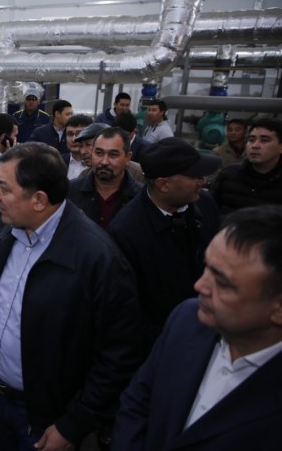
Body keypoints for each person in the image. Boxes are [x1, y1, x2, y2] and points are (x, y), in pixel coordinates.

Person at [0, 142, 144, 450]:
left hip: (48, 416)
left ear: (38, 200)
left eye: (4, 189)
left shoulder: (99, 260)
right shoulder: (6, 235)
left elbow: (118, 356)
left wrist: (74, 424)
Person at [112, 205, 282, 451]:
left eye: (222, 282)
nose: (200, 285)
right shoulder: (186, 320)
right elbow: (137, 403)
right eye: (206, 267)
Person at [108, 138, 221, 342]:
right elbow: (127, 306)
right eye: (194, 175)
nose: (202, 181)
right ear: (164, 184)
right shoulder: (126, 232)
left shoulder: (204, 204)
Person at [68, 127, 142, 228]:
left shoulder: (141, 197)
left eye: (113, 155)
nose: (104, 162)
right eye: (99, 153)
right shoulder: (70, 192)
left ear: (127, 158)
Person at [212, 117, 282, 215]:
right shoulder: (228, 175)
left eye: (264, 140)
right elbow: (211, 213)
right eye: (251, 140)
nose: (255, 145)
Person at [62, 114, 92, 179]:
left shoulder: (98, 165)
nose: (74, 139)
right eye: (70, 134)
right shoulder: (58, 162)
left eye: (79, 134)